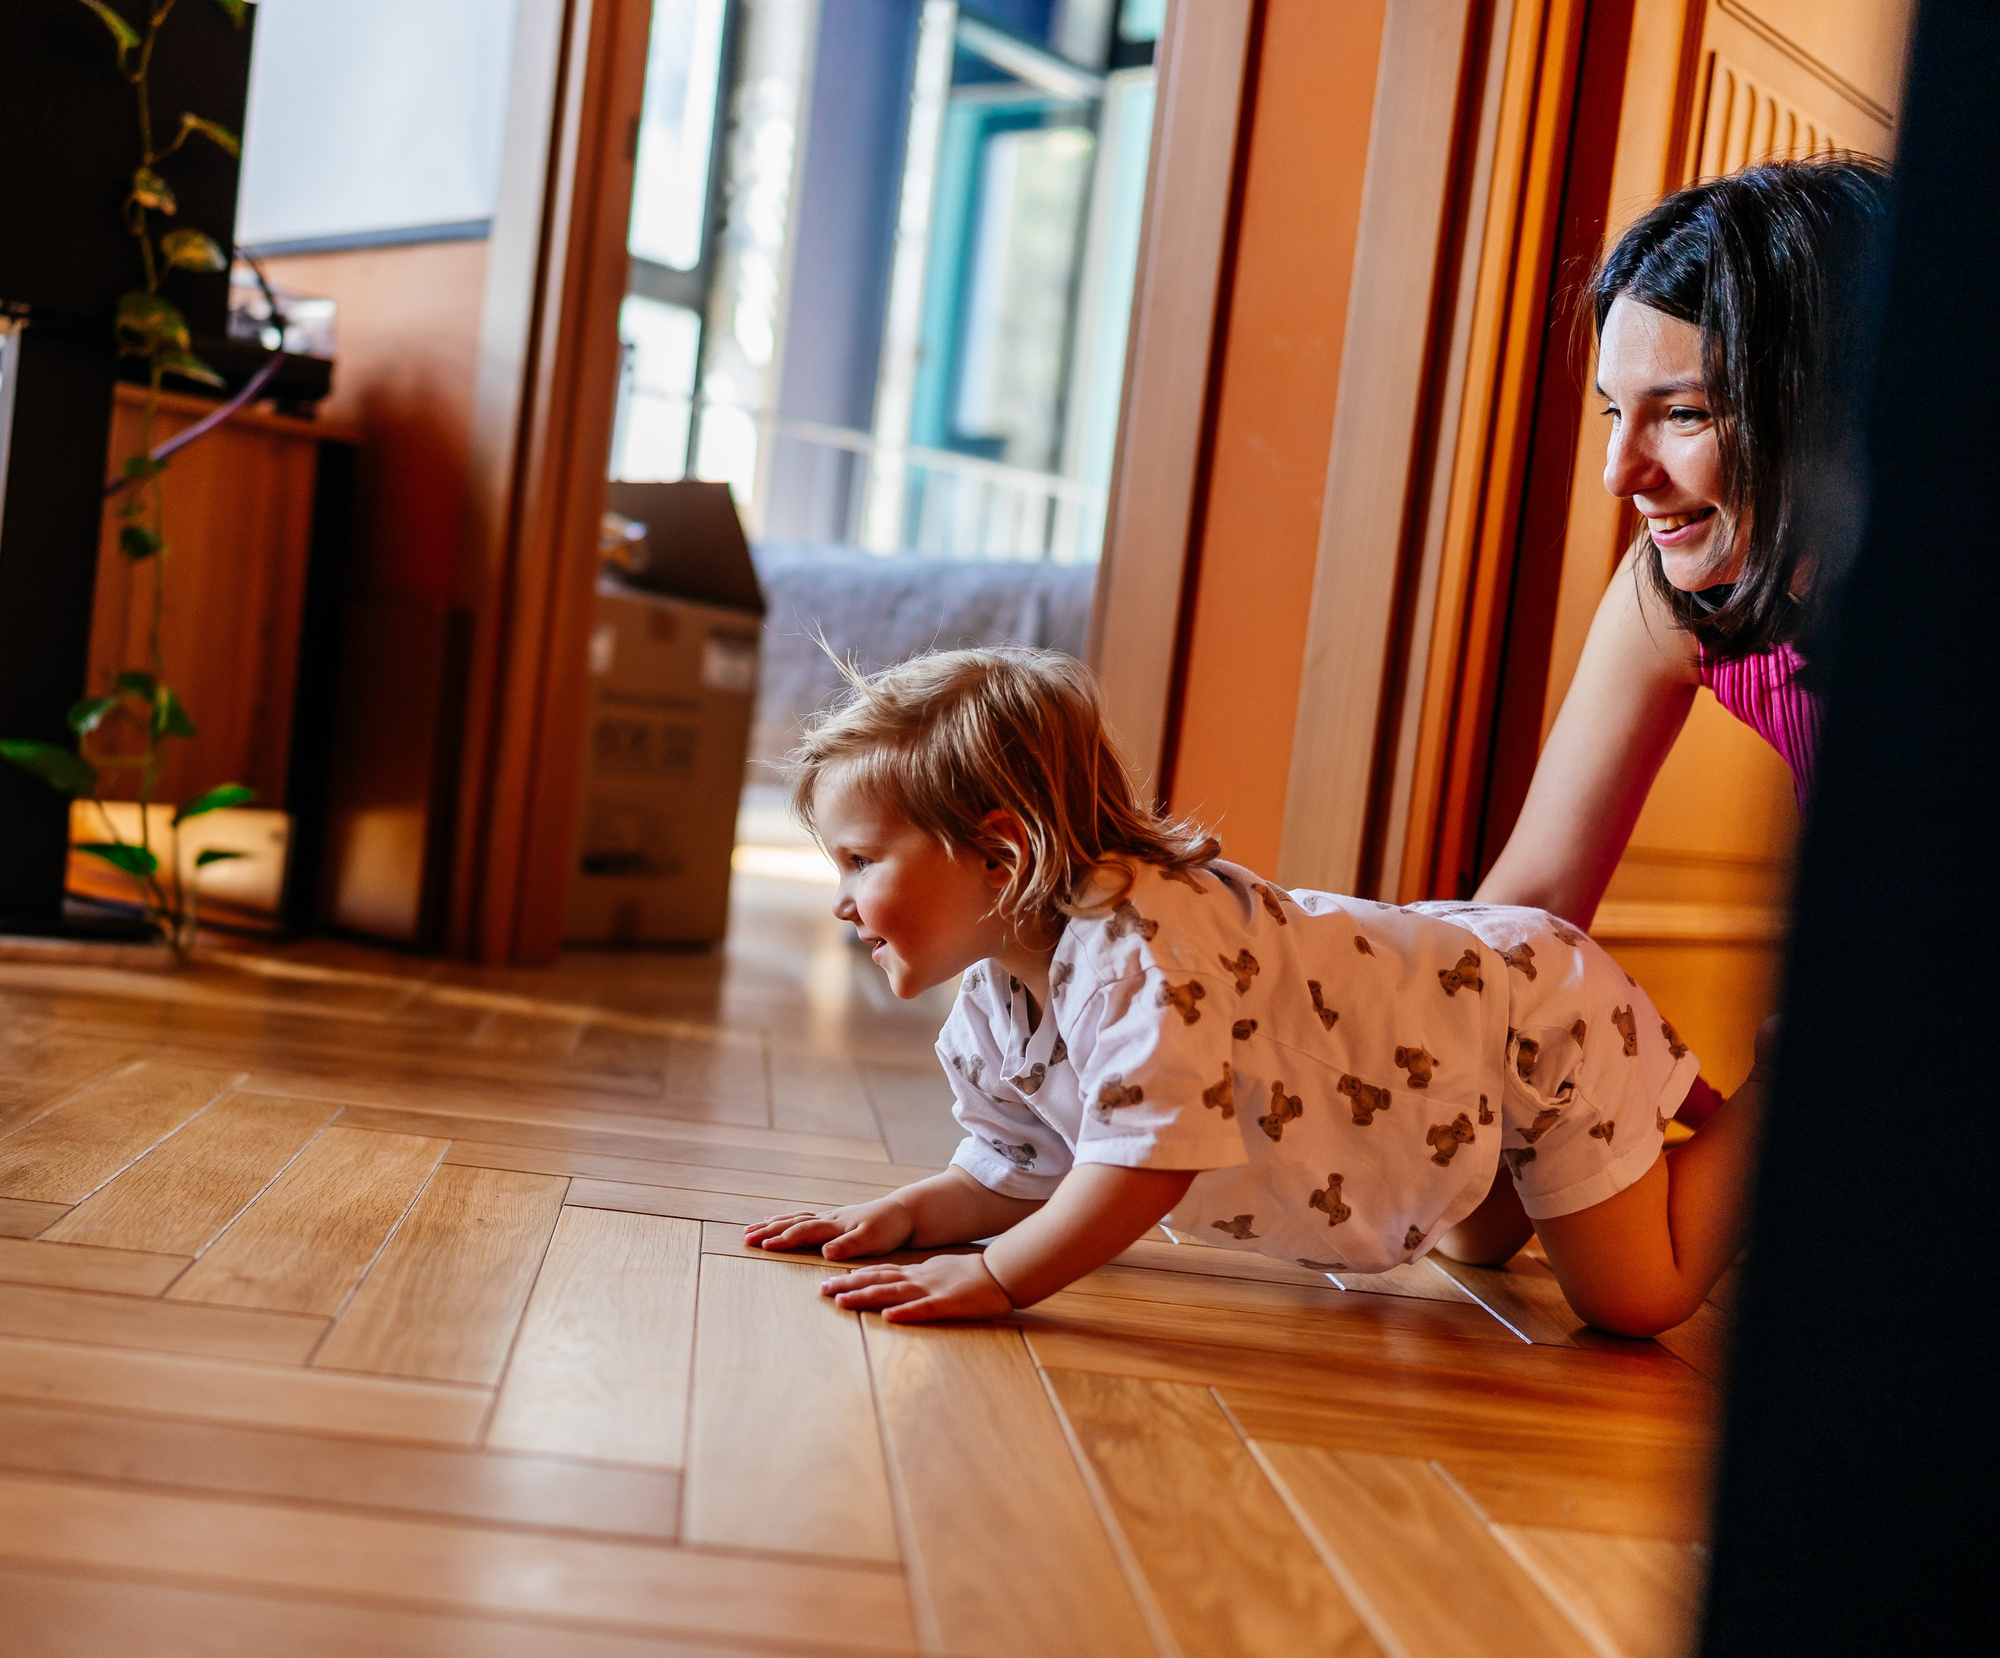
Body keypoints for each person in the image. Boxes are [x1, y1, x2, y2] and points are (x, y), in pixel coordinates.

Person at [744, 647, 1750, 1337]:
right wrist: (905, 1217)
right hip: (1447, 1074)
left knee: (1631, 1301)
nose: (839, 902)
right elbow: (1024, 1169)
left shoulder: (1140, 951)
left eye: (859, 862)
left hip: (1540, 1022)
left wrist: (1000, 1277)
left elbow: (1143, 1166)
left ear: (1000, 856)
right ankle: (1609, 1149)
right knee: (1477, 1248)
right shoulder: (996, 1000)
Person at [1445, 154, 1889, 1265]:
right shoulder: (1673, 592)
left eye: (1682, 413)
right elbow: (1529, 909)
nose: (1618, 471)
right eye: (1612, 411)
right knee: (1468, 1203)